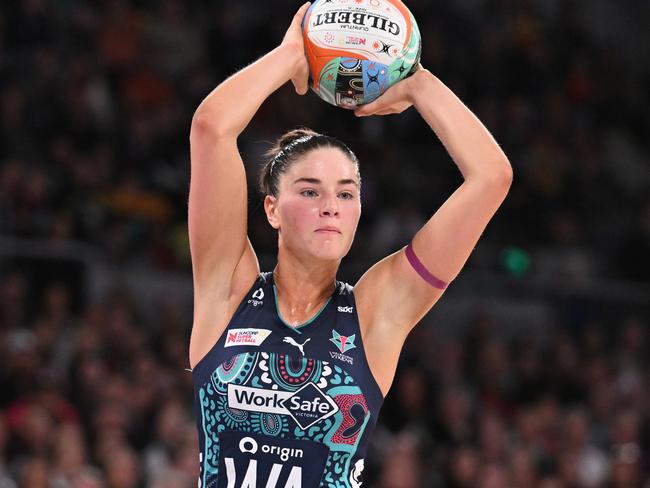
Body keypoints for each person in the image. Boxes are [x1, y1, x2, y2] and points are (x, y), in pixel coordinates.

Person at [187, 3, 512, 487]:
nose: (330, 206)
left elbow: (492, 177)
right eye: (310, 191)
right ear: (272, 209)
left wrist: (417, 81)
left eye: (345, 193)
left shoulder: (374, 314)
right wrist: (290, 54)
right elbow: (212, 129)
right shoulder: (227, 291)